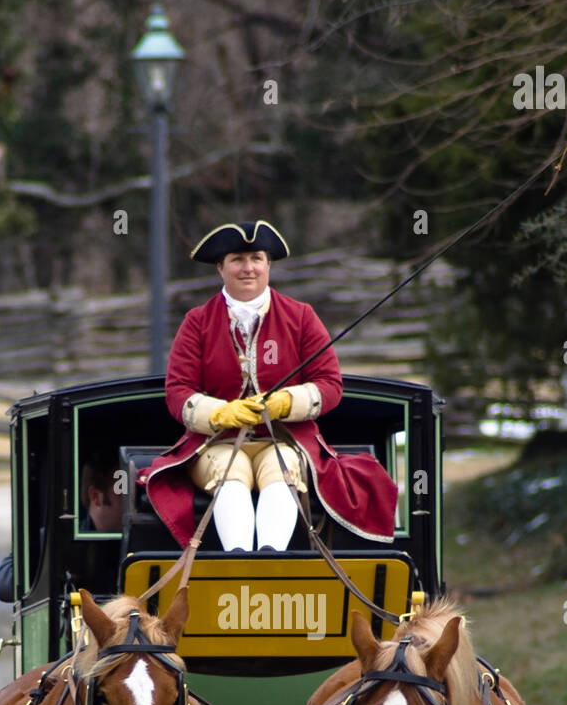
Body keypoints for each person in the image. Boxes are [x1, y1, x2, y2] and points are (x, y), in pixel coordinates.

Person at [141, 219, 399, 552]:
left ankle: (270, 560)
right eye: (237, 259)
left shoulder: (302, 316)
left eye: (256, 259)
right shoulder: (197, 323)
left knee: (283, 473)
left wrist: (286, 403)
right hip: (215, 442)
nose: (248, 268)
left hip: (286, 439)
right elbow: (178, 391)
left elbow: (330, 384)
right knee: (230, 475)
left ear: (268, 265)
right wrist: (221, 412)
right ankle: (239, 564)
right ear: (220, 268)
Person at [0, 452, 123, 602]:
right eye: (122, 490)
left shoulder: (144, 541)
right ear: (95, 496)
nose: (133, 498)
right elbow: (3, 587)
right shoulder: (57, 537)